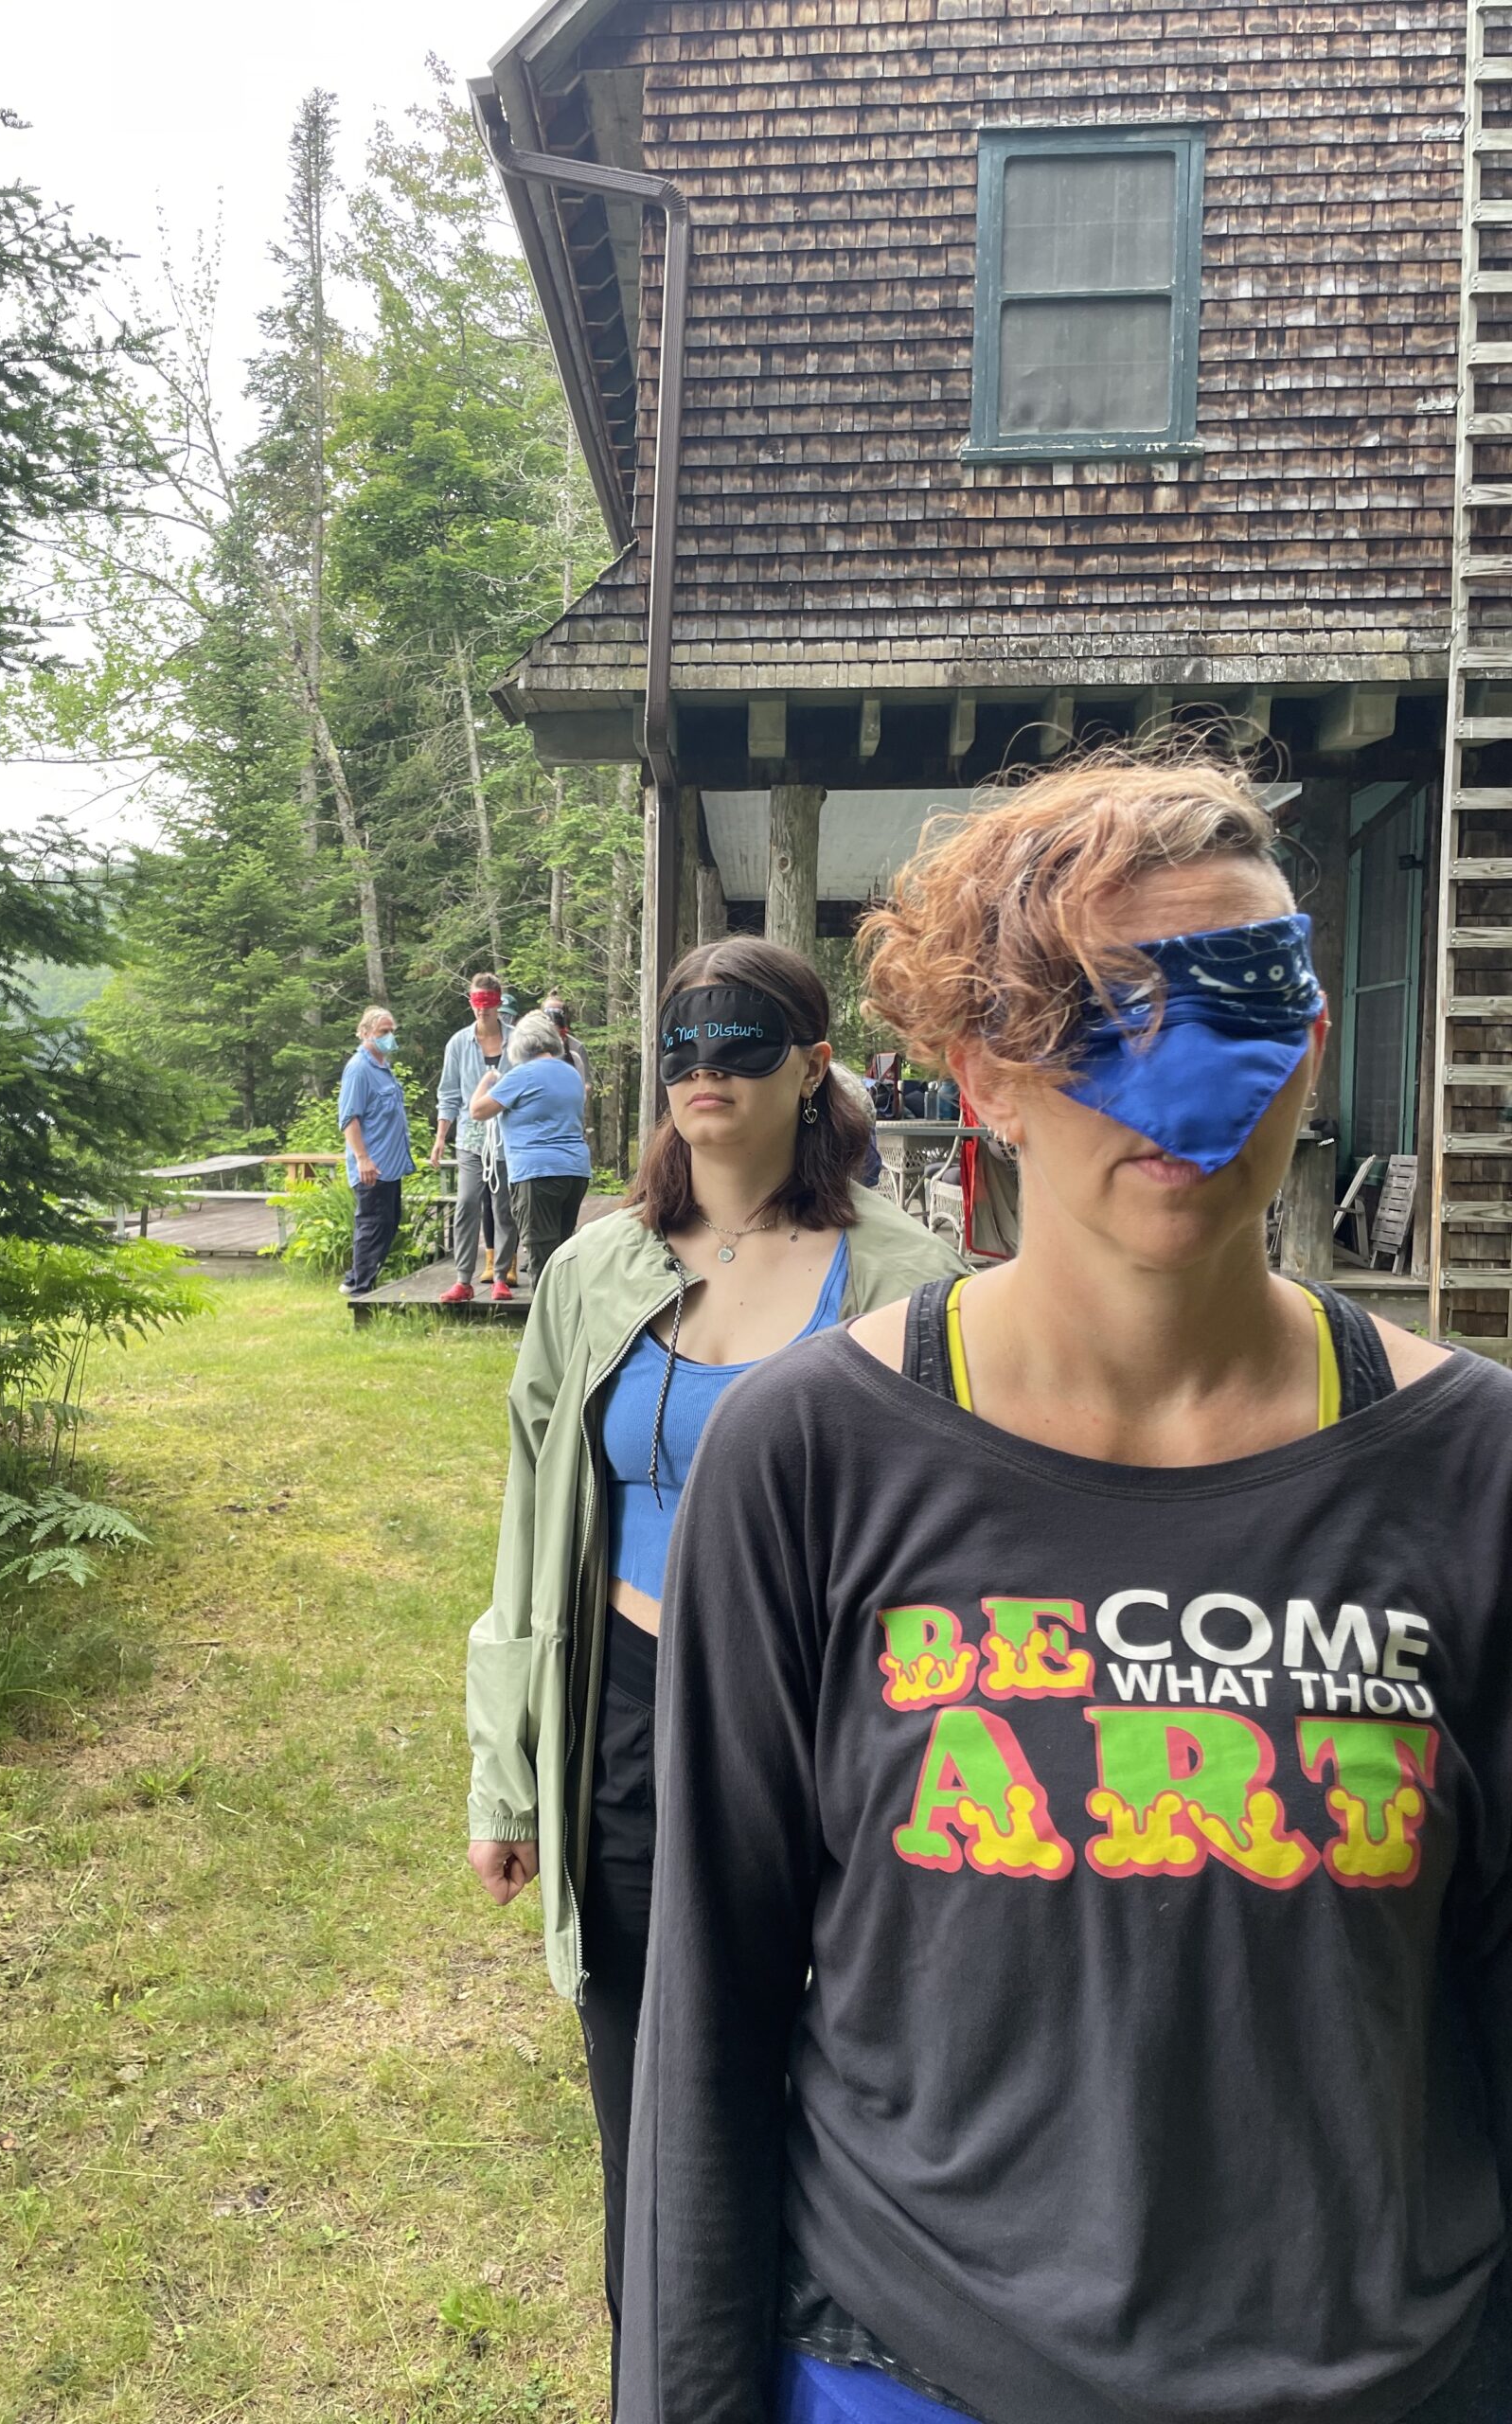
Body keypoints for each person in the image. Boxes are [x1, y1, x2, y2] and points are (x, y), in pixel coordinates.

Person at [618, 758, 1512, 2424]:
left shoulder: (1474, 1463)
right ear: (985, 1075)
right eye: (1094, 1017)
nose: (1179, 1087)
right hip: (915, 2368)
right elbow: (714, 2004)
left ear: (1310, 1048)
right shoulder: (809, 1456)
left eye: (1240, 1006)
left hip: (1392, 2370)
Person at [464, 939, 962, 2412]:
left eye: (743, 1047)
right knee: (646, 2081)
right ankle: (666, 2371)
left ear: (816, 1066)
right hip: (630, 1713)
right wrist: (508, 1769)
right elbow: (524, 1526)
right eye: (680, 1048)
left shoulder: (905, 1278)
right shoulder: (592, 1270)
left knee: (847, 2065)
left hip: (834, 1737)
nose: (704, 1076)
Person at [471, 1009, 593, 1283]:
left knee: (541, 1255)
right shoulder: (572, 1074)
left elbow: (478, 1111)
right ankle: (566, 1319)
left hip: (537, 1174)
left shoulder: (522, 1075)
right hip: (575, 1171)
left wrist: (487, 1081)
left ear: (519, 1044)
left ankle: (542, 1322)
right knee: (562, 1251)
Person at [430, 972, 520, 1306]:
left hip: (506, 1139)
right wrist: (441, 1137)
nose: (482, 1010)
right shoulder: (457, 1044)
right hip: (470, 1139)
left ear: (498, 1003)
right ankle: (463, 1279)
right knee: (467, 1203)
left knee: (504, 1208)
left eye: (488, 1003)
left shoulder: (517, 1042)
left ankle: (501, 1277)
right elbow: (448, 1094)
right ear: (470, 1002)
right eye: (476, 1002)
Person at [335, 1005, 415, 1300]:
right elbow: (349, 1118)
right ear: (365, 1033)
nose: (390, 1036)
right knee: (371, 1225)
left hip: (390, 1167)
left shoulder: (382, 1067)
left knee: (389, 1222)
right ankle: (361, 1292)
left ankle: (355, 1277)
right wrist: (362, 1158)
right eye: (383, 1032)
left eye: (392, 1031)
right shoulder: (359, 1069)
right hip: (373, 1166)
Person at [542, 993, 593, 1096]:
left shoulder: (576, 1048)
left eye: (557, 1013)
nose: (552, 1019)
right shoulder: (533, 1045)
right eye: (548, 1012)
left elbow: (587, 1084)